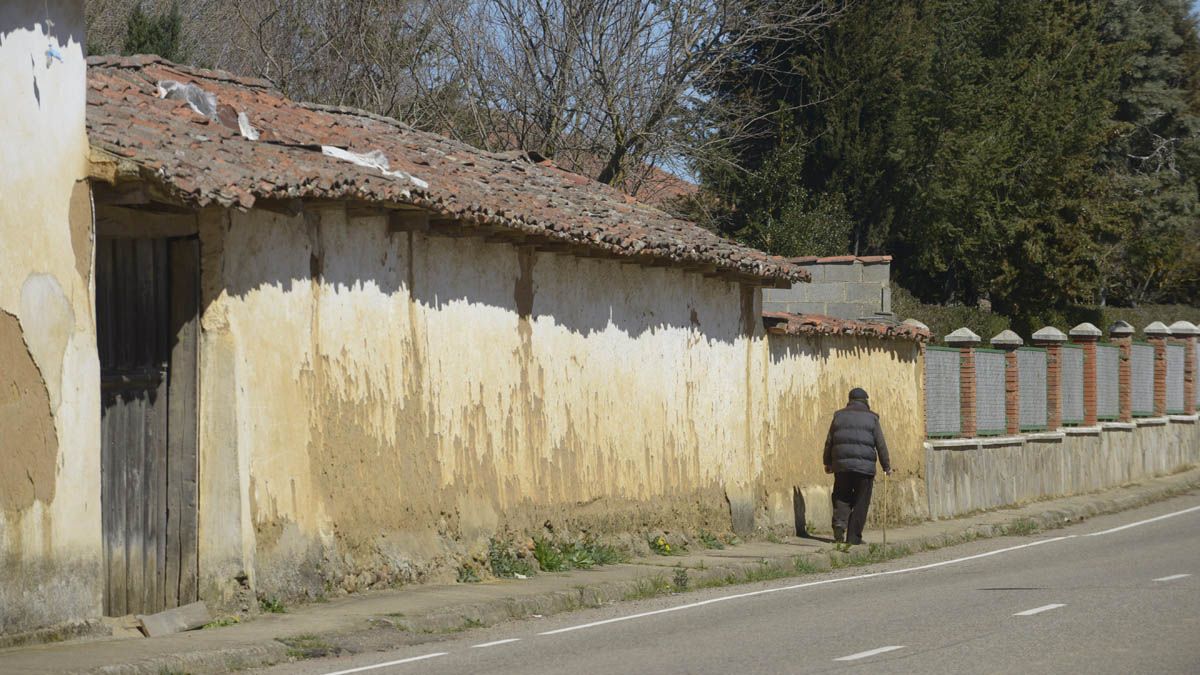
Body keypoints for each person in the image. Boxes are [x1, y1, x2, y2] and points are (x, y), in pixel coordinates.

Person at [822, 387, 892, 546]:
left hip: (842, 466)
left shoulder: (838, 416)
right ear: (866, 401)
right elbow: (880, 444)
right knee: (861, 502)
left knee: (841, 495)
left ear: (850, 400)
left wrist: (827, 462)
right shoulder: (872, 418)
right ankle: (853, 538)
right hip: (864, 468)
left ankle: (840, 523)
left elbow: (829, 442)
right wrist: (886, 466)